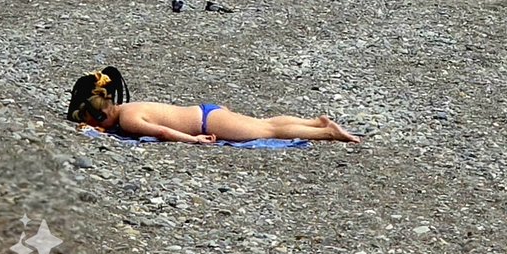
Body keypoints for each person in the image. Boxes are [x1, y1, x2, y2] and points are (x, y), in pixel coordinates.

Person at [66, 67, 359, 144]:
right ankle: (315, 123)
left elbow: (163, 132)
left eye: (97, 124)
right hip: (206, 111)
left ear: (104, 114)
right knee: (265, 122)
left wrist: (194, 139)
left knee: (268, 131)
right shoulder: (128, 107)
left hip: (207, 123)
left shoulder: (128, 121)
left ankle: (327, 133)